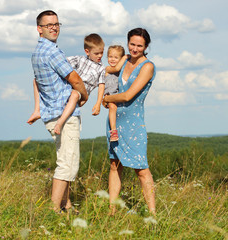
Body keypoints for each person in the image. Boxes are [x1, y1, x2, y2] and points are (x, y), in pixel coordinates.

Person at [31, 10, 88, 212]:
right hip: (64, 115)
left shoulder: (37, 52)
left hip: (51, 115)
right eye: (49, 25)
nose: (54, 28)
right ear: (39, 29)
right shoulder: (52, 51)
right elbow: (74, 78)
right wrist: (84, 96)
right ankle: (54, 211)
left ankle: (67, 205)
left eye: (56, 24)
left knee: (64, 159)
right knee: (68, 165)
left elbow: (37, 82)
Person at [102, 28, 156, 215]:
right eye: (132, 44)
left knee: (141, 169)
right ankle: (112, 210)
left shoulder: (147, 66)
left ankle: (152, 214)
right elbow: (107, 70)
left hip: (134, 123)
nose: (134, 48)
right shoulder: (123, 59)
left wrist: (106, 99)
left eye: (139, 45)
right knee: (114, 165)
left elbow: (128, 95)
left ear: (146, 46)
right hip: (115, 121)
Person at [27, 33, 106, 135]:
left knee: (74, 94)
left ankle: (60, 123)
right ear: (87, 51)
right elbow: (61, 63)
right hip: (68, 86)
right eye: (96, 53)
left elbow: (101, 85)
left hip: (81, 92)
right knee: (36, 81)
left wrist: (98, 103)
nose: (100, 56)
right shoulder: (80, 59)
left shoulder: (101, 69)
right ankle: (37, 110)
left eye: (102, 53)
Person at [104, 45, 126, 142]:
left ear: (120, 59)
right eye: (110, 56)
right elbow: (116, 68)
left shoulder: (123, 71)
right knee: (112, 107)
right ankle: (113, 131)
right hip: (110, 95)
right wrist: (126, 57)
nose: (112, 59)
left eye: (116, 57)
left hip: (119, 95)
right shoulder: (108, 69)